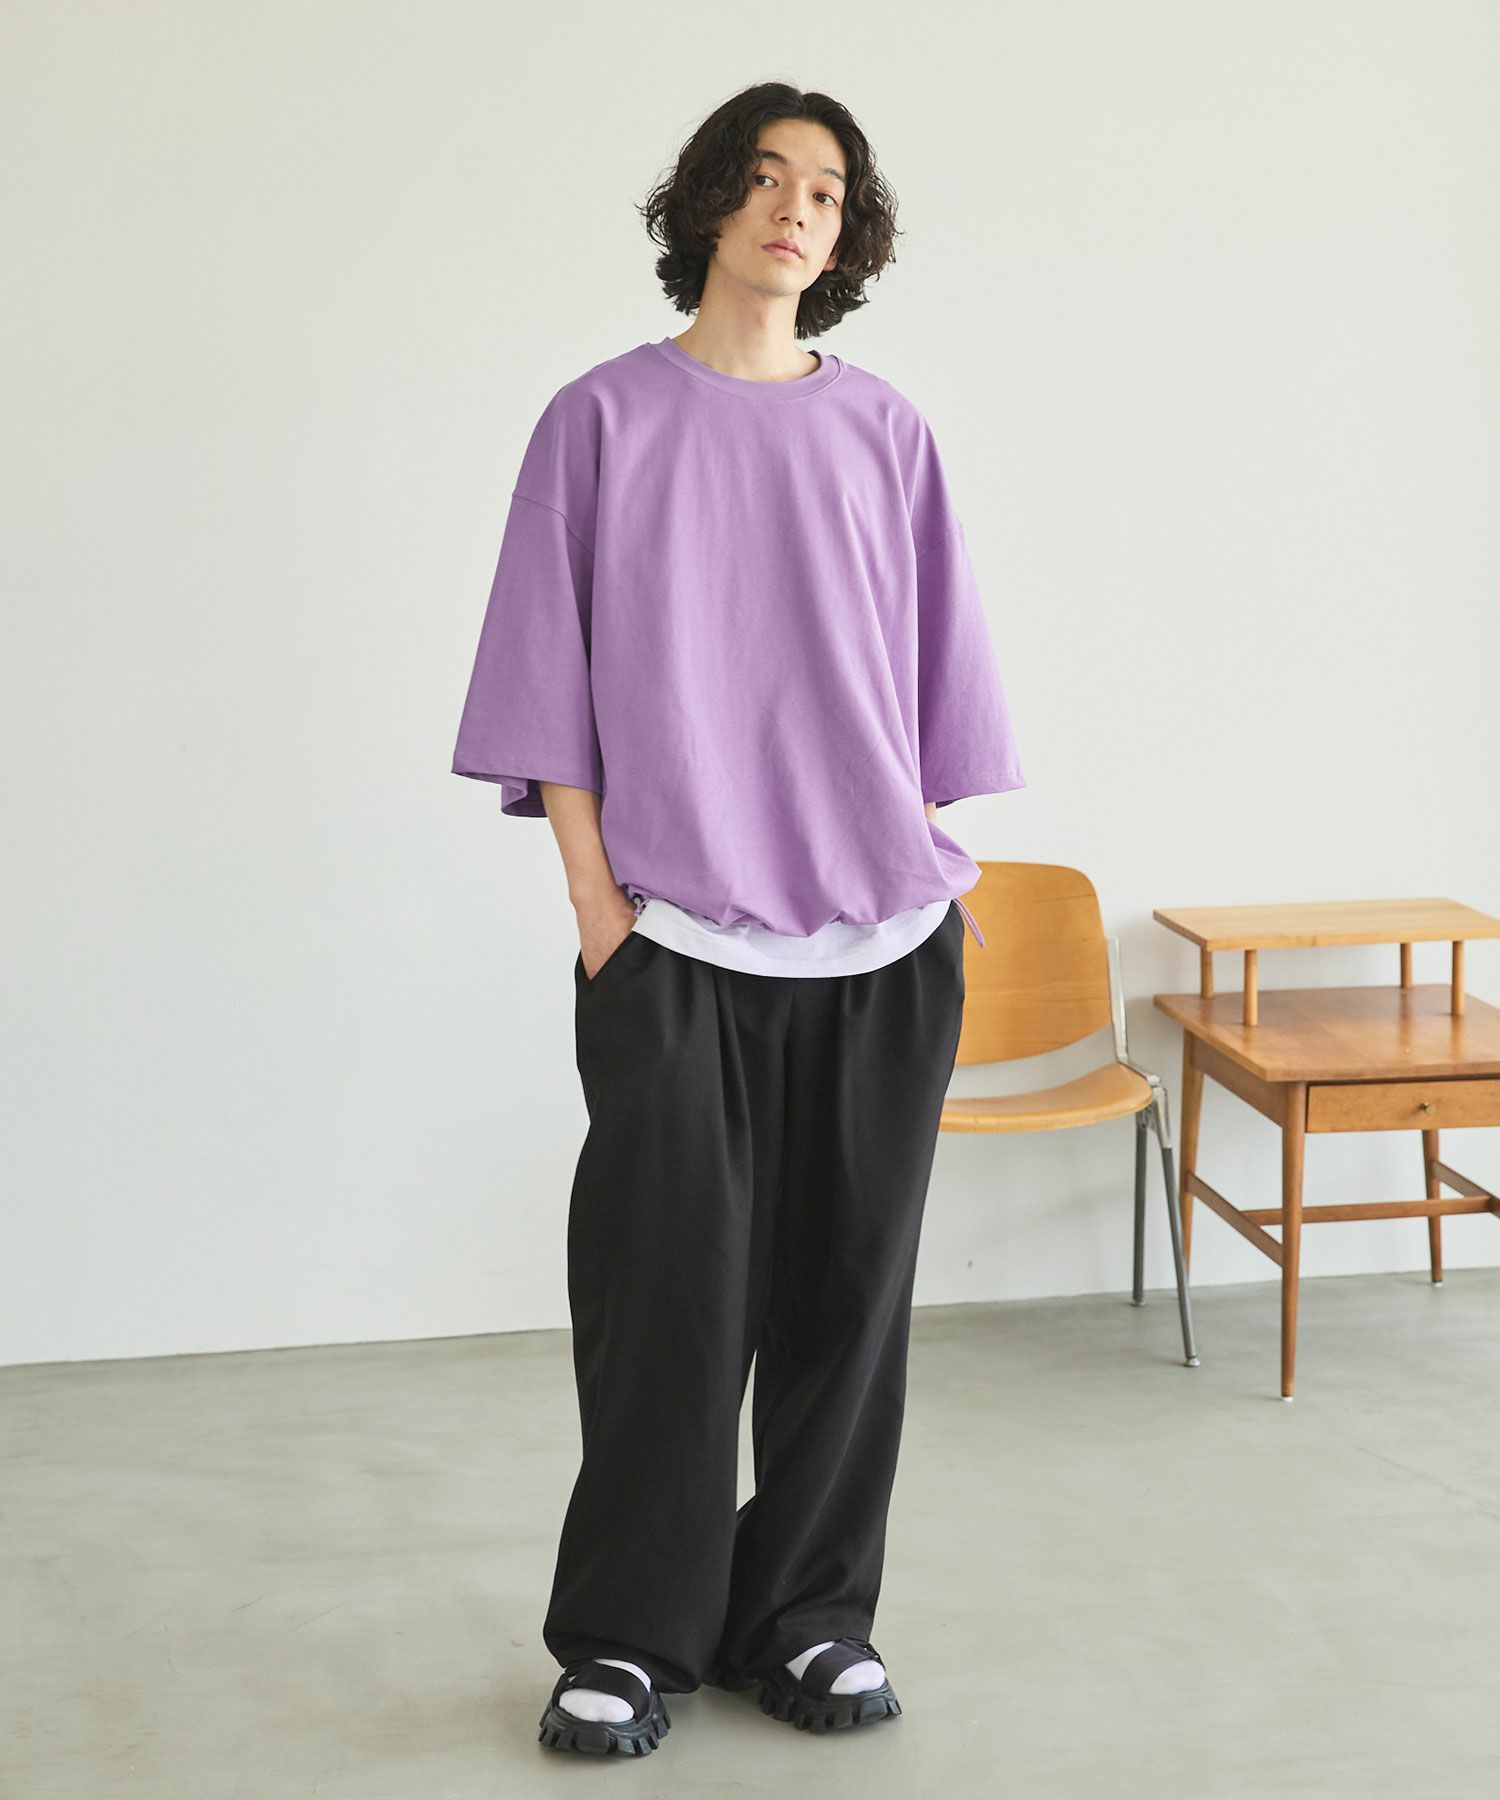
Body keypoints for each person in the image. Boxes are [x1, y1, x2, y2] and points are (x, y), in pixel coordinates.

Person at [451, 80, 1025, 1758]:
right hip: (677, 943)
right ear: (708, 202)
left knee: (848, 1313)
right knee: (667, 1308)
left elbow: (936, 680)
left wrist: (919, 856)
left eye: (827, 193)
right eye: (766, 178)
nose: (795, 209)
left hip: (881, 945)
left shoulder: (888, 430)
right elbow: (545, 679)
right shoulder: (599, 422)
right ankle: (630, 1638)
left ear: (849, 238)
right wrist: (598, 907)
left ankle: (811, 1620)